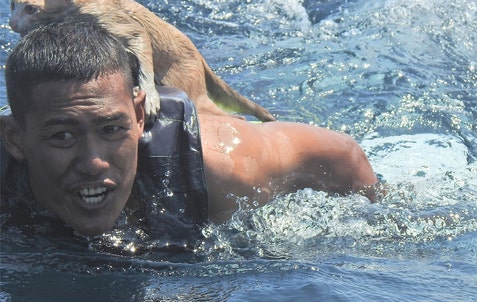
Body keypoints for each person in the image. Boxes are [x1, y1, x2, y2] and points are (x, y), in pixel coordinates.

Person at [0, 17, 380, 240]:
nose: (93, 162)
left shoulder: (219, 168)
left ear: (138, 115)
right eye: (62, 135)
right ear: (15, 138)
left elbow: (341, 153)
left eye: (112, 129)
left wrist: (375, 216)